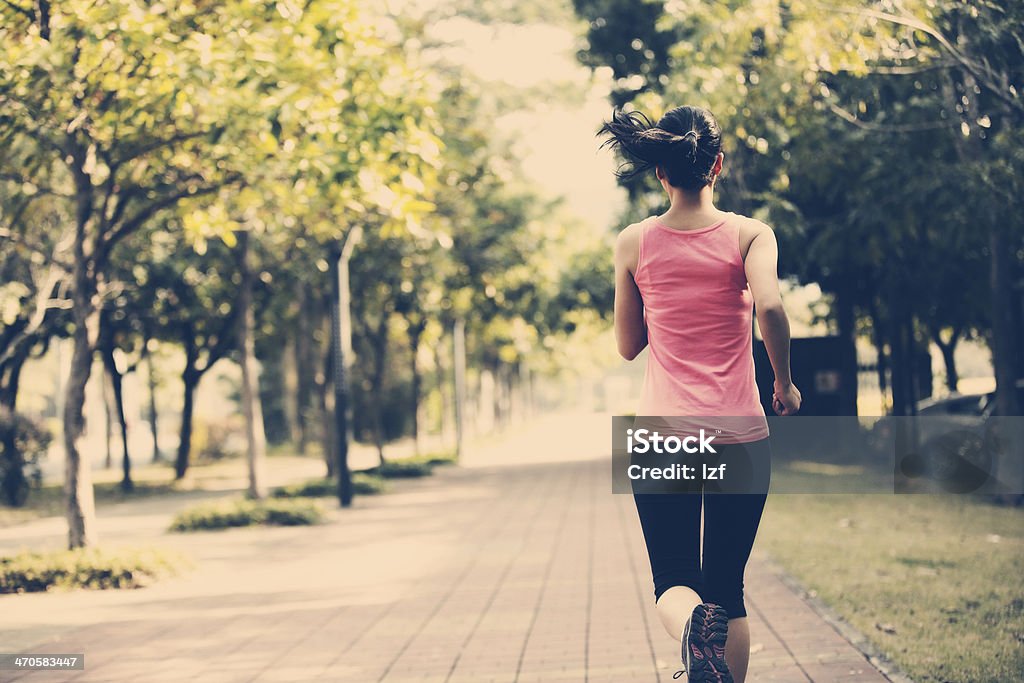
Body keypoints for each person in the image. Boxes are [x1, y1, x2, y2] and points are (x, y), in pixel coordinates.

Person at [601, 105, 801, 683]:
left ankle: (692, 627)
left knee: (674, 581)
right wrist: (782, 383)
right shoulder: (750, 235)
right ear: (718, 165)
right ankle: (707, 640)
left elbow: (628, 345)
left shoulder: (633, 242)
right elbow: (770, 305)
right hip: (739, 432)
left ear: (662, 173)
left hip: (663, 435)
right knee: (727, 587)